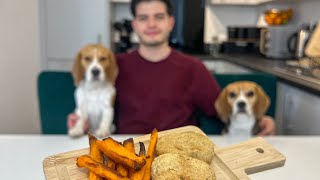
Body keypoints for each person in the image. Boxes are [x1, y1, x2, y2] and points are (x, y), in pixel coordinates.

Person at [68, 0, 275, 135]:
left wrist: (260, 118)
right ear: (134, 25)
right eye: (143, 18)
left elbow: (220, 109)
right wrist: (82, 119)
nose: (151, 24)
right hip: (128, 151)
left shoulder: (193, 68)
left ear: (170, 22)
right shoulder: (114, 66)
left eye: (159, 17)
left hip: (180, 154)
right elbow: (93, 99)